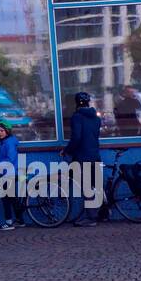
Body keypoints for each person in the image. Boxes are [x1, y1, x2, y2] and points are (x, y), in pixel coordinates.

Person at [60, 92, 103, 227]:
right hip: (94, 154)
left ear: (76, 103)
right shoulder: (96, 118)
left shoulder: (77, 117)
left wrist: (66, 150)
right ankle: (100, 212)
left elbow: (76, 138)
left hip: (82, 156)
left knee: (86, 187)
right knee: (94, 185)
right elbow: (94, 136)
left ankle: (91, 218)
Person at [0, 122, 25, 230]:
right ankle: (20, 221)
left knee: (6, 198)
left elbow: (9, 160)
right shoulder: (5, 142)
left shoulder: (9, 143)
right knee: (12, 198)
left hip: (9, 173)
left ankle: (9, 222)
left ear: (7, 131)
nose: (0, 133)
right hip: (9, 172)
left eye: (2, 131)